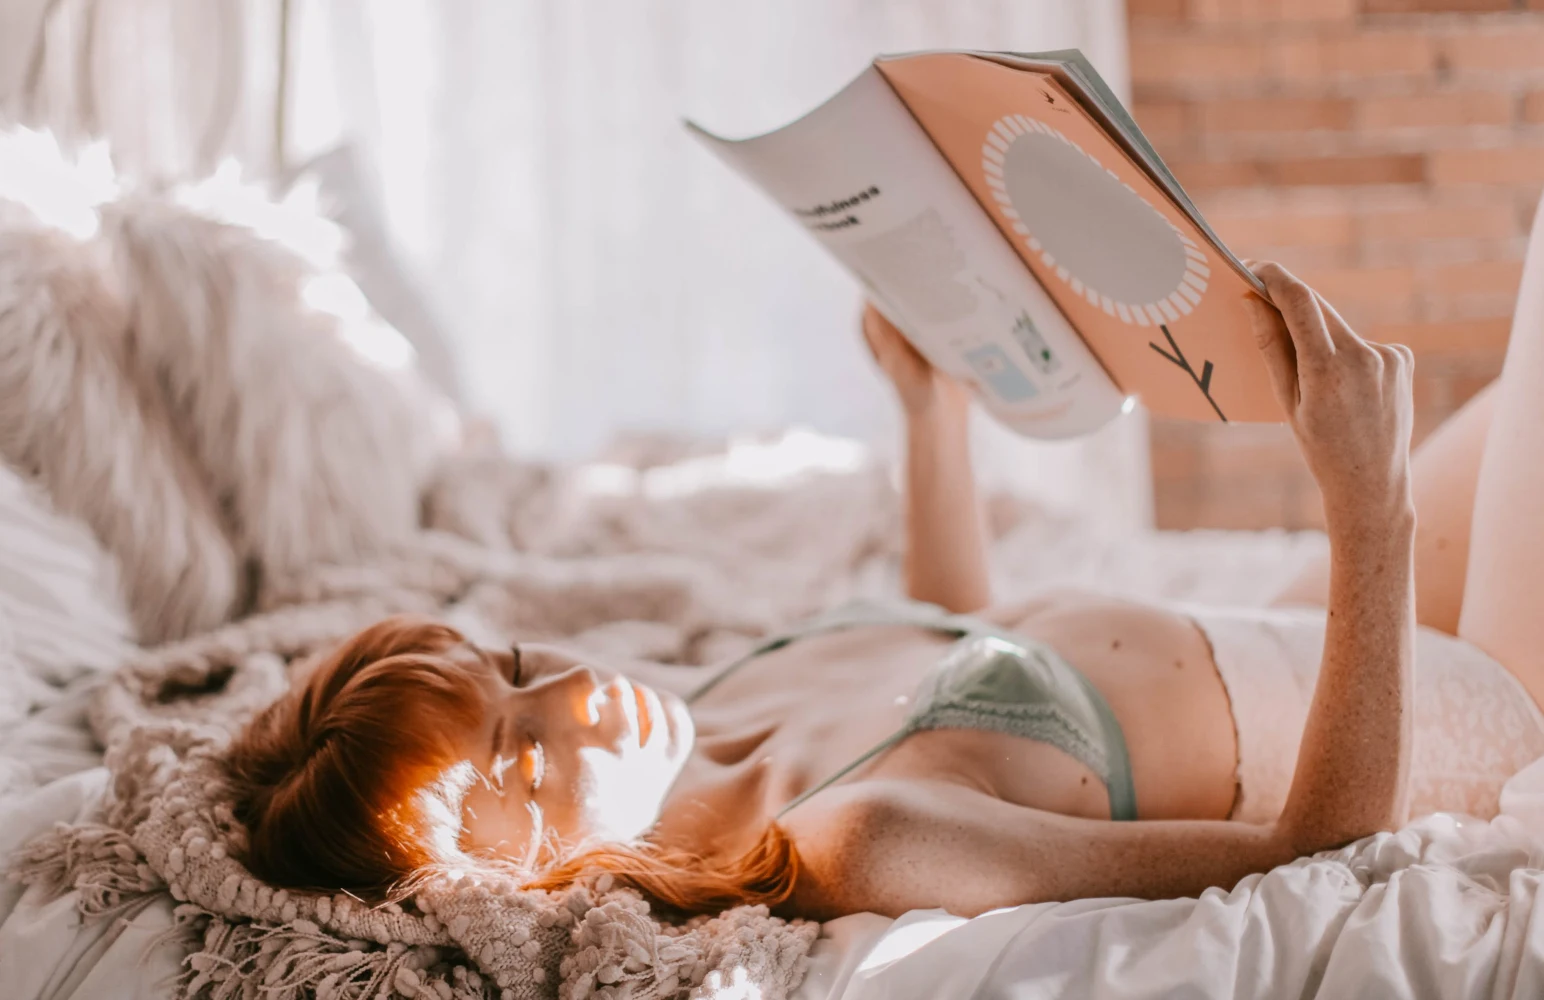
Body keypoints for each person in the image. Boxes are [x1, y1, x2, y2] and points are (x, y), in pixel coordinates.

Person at [228, 216, 1544, 920]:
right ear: (505, 882)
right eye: (522, 759)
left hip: (1276, 625)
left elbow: (958, 640)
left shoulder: (716, 700)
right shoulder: (859, 839)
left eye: (515, 669)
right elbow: (1317, 847)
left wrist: (931, 417)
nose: (574, 697)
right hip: (1440, 698)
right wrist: (1367, 510)